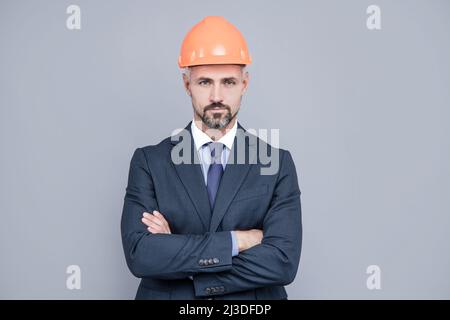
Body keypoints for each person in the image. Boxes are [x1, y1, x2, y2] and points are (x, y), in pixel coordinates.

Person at [121, 16, 302, 300]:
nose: (217, 96)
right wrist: (238, 241)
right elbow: (141, 255)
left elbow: (282, 262)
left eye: (228, 82)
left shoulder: (276, 164)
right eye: (205, 82)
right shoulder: (149, 162)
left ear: (245, 83)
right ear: (187, 84)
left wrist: (177, 252)